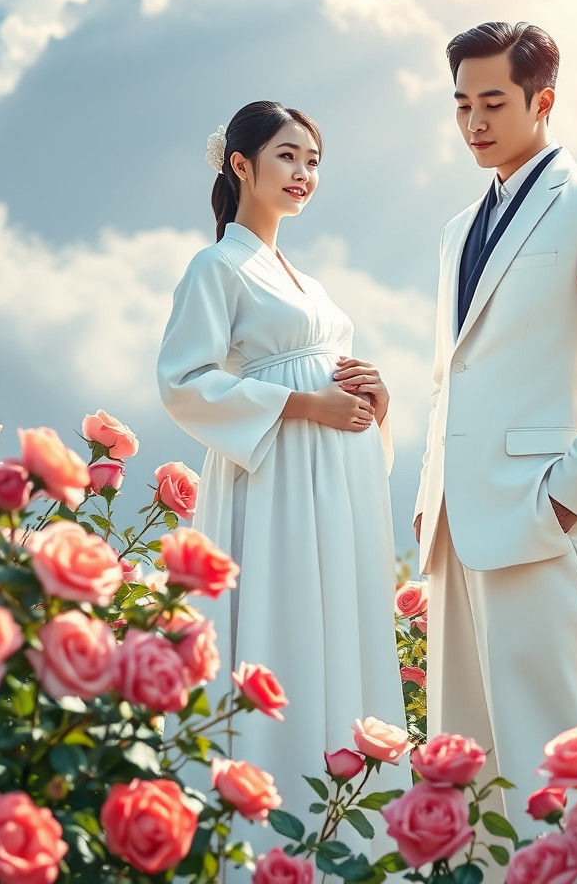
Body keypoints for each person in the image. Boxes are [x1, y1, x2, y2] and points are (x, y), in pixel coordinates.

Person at [413, 22, 577, 877]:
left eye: (493, 102)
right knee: (472, 774)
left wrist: (571, 496)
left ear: (542, 101)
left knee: (561, 762)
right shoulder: (456, 227)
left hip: (543, 518)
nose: (474, 122)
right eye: (461, 104)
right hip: (456, 523)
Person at [156, 100, 408, 863]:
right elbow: (183, 381)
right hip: (273, 486)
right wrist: (304, 402)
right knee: (285, 625)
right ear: (241, 164)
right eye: (288, 157)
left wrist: (375, 400)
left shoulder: (311, 283)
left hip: (337, 486)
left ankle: (346, 845)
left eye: (312, 160)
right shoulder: (216, 266)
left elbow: (333, 381)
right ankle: (268, 841)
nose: (304, 174)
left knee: (342, 631)